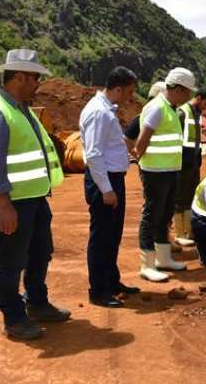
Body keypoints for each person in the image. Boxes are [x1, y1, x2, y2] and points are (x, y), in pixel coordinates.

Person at [0, 49, 70, 340]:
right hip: (11, 203)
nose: (38, 84)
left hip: (34, 198)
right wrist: (4, 205)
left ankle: (37, 303)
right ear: (19, 77)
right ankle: (13, 318)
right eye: (34, 78)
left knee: (41, 252)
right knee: (12, 260)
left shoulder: (21, 108)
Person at [79, 66, 140, 308]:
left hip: (112, 178)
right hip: (104, 180)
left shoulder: (105, 110)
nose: (130, 97)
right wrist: (106, 189)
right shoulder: (99, 113)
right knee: (102, 236)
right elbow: (93, 154)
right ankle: (99, 290)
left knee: (112, 235)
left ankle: (111, 281)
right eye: (129, 92)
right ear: (117, 89)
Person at [132, 68, 195, 281]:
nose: (189, 97)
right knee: (152, 215)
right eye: (187, 92)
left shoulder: (171, 108)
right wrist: (140, 161)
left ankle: (163, 258)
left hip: (169, 170)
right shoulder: (157, 108)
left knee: (165, 214)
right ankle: (147, 265)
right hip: (155, 172)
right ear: (177, 89)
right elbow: (142, 139)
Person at [173, 89, 206, 246]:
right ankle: (179, 232)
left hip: (193, 162)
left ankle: (189, 231)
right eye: (205, 104)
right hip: (182, 162)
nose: (205, 107)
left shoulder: (197, 113)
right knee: (179, 197)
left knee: (190, 197)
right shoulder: (182, 113)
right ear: (198, 98)